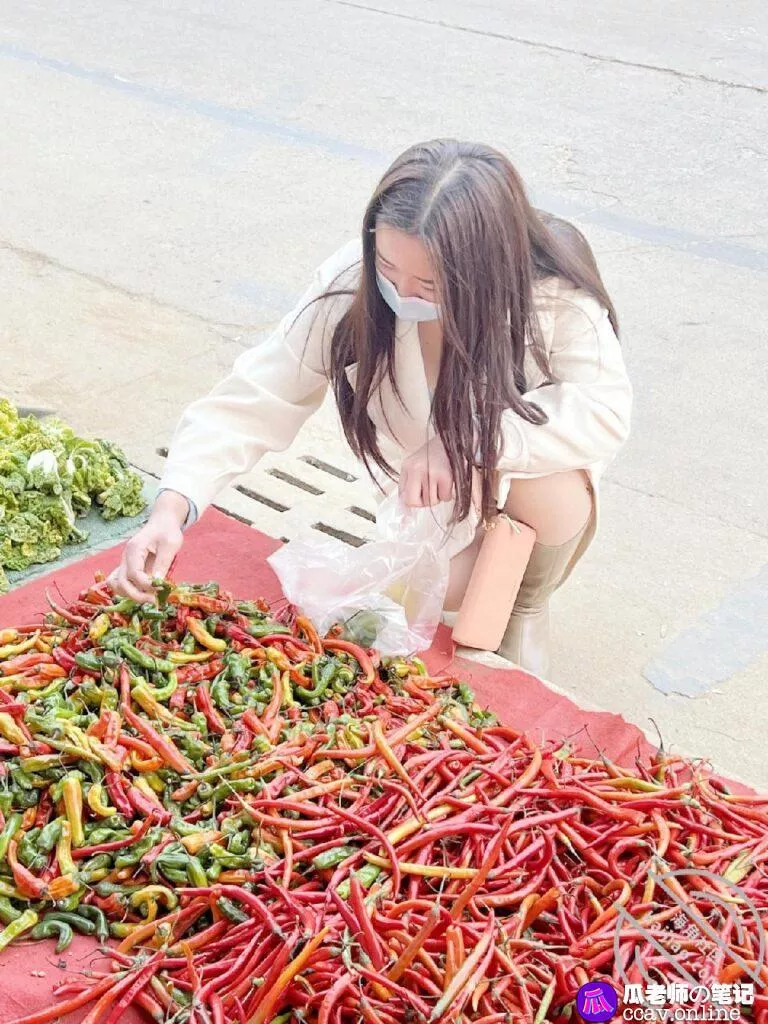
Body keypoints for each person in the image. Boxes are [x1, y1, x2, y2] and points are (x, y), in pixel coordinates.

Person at [110, 139, 632, 676]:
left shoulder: (552, 297)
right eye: (388, 268)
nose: (402, 294)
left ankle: (526, 608)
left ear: (486, 271)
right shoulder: (352, 285)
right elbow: (261, 391)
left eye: (429, 285)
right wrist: (172, 507)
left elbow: (603, 410)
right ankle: (489, 588)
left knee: (551, 490)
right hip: (435, 500)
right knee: (411, 609)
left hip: (526, 487)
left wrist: (468, 443)